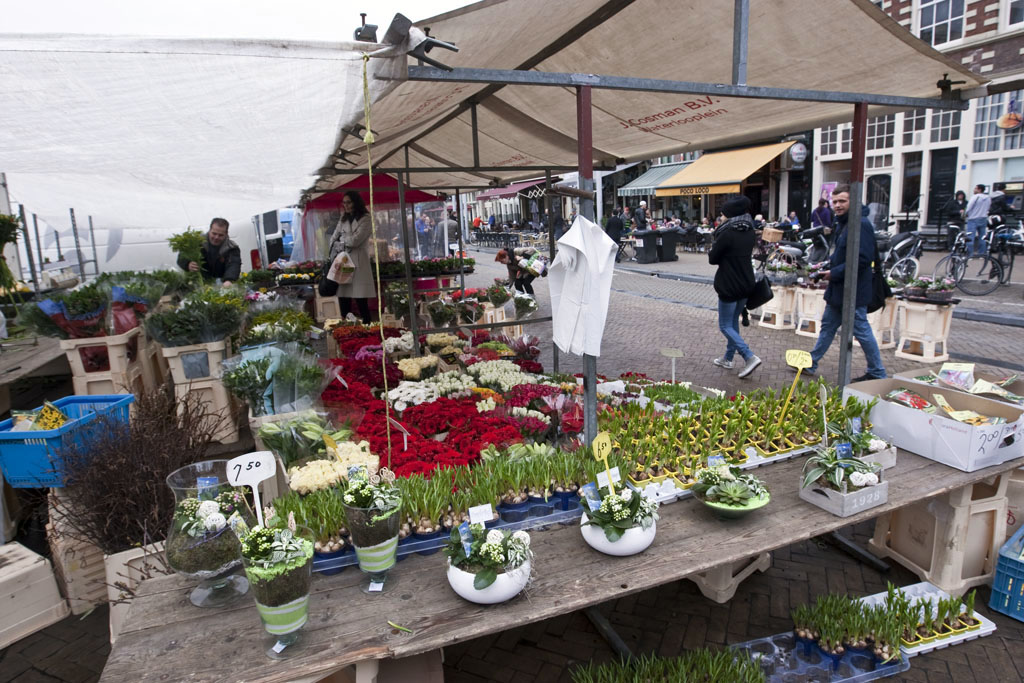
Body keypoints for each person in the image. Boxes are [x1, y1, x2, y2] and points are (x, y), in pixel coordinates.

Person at [802, 184, 886, 382]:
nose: (838, 205)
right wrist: (826, 265)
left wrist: (834, 273)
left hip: (853, 290)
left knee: (862, 331)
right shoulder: (843, 223)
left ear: (853, 201)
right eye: (835, 201)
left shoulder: (860, 224)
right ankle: (811, 362)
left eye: (842, 201)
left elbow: (862, 259)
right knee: (828, 326)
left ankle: (877, 371)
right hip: (839, 290)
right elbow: (842, 254)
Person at [708, 195, 761, 379]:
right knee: (732, 323)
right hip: (746, 283)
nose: (721, 217)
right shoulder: (750, 230)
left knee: (725, 325)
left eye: (723, 214)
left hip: (729, 284)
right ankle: (728, 358)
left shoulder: (727, 232)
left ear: (729, 214)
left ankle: (749, 356)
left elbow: (713, 258)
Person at [327, 191, 375, 324]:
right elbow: (333, 239)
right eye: (344, 203)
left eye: (349, 202)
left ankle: (367, 328)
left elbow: (355, 241)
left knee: (361, 301)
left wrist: (341, 240)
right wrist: (343, 241)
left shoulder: (366, 218)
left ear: (356, 202)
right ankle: (346, 329)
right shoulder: (343, 218)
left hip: (359, 262)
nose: (346, 205)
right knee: (344, 299)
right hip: (343, 262)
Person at [177, 217, 240, 286]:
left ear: (226, 233)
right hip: (196, 283)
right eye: (214, 233)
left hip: (221, 283)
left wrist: (229, 279)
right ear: (209, 230)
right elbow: (181, 257)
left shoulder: (231, 247)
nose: (216, 237)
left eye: (220, 235)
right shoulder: (196, 242)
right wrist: (187, 264)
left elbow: (234, 264)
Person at [964, 184, 991, 256]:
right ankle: (982, 253)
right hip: (983, 218)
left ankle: (970, 254)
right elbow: (988, 208)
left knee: (970, 237)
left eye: (975, 188)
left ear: (979, 189)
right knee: (982, 237)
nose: (974, 190)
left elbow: (968, 207)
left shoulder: (975, 197)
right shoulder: (988, 198)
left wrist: (965, 214)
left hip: (973, 218)